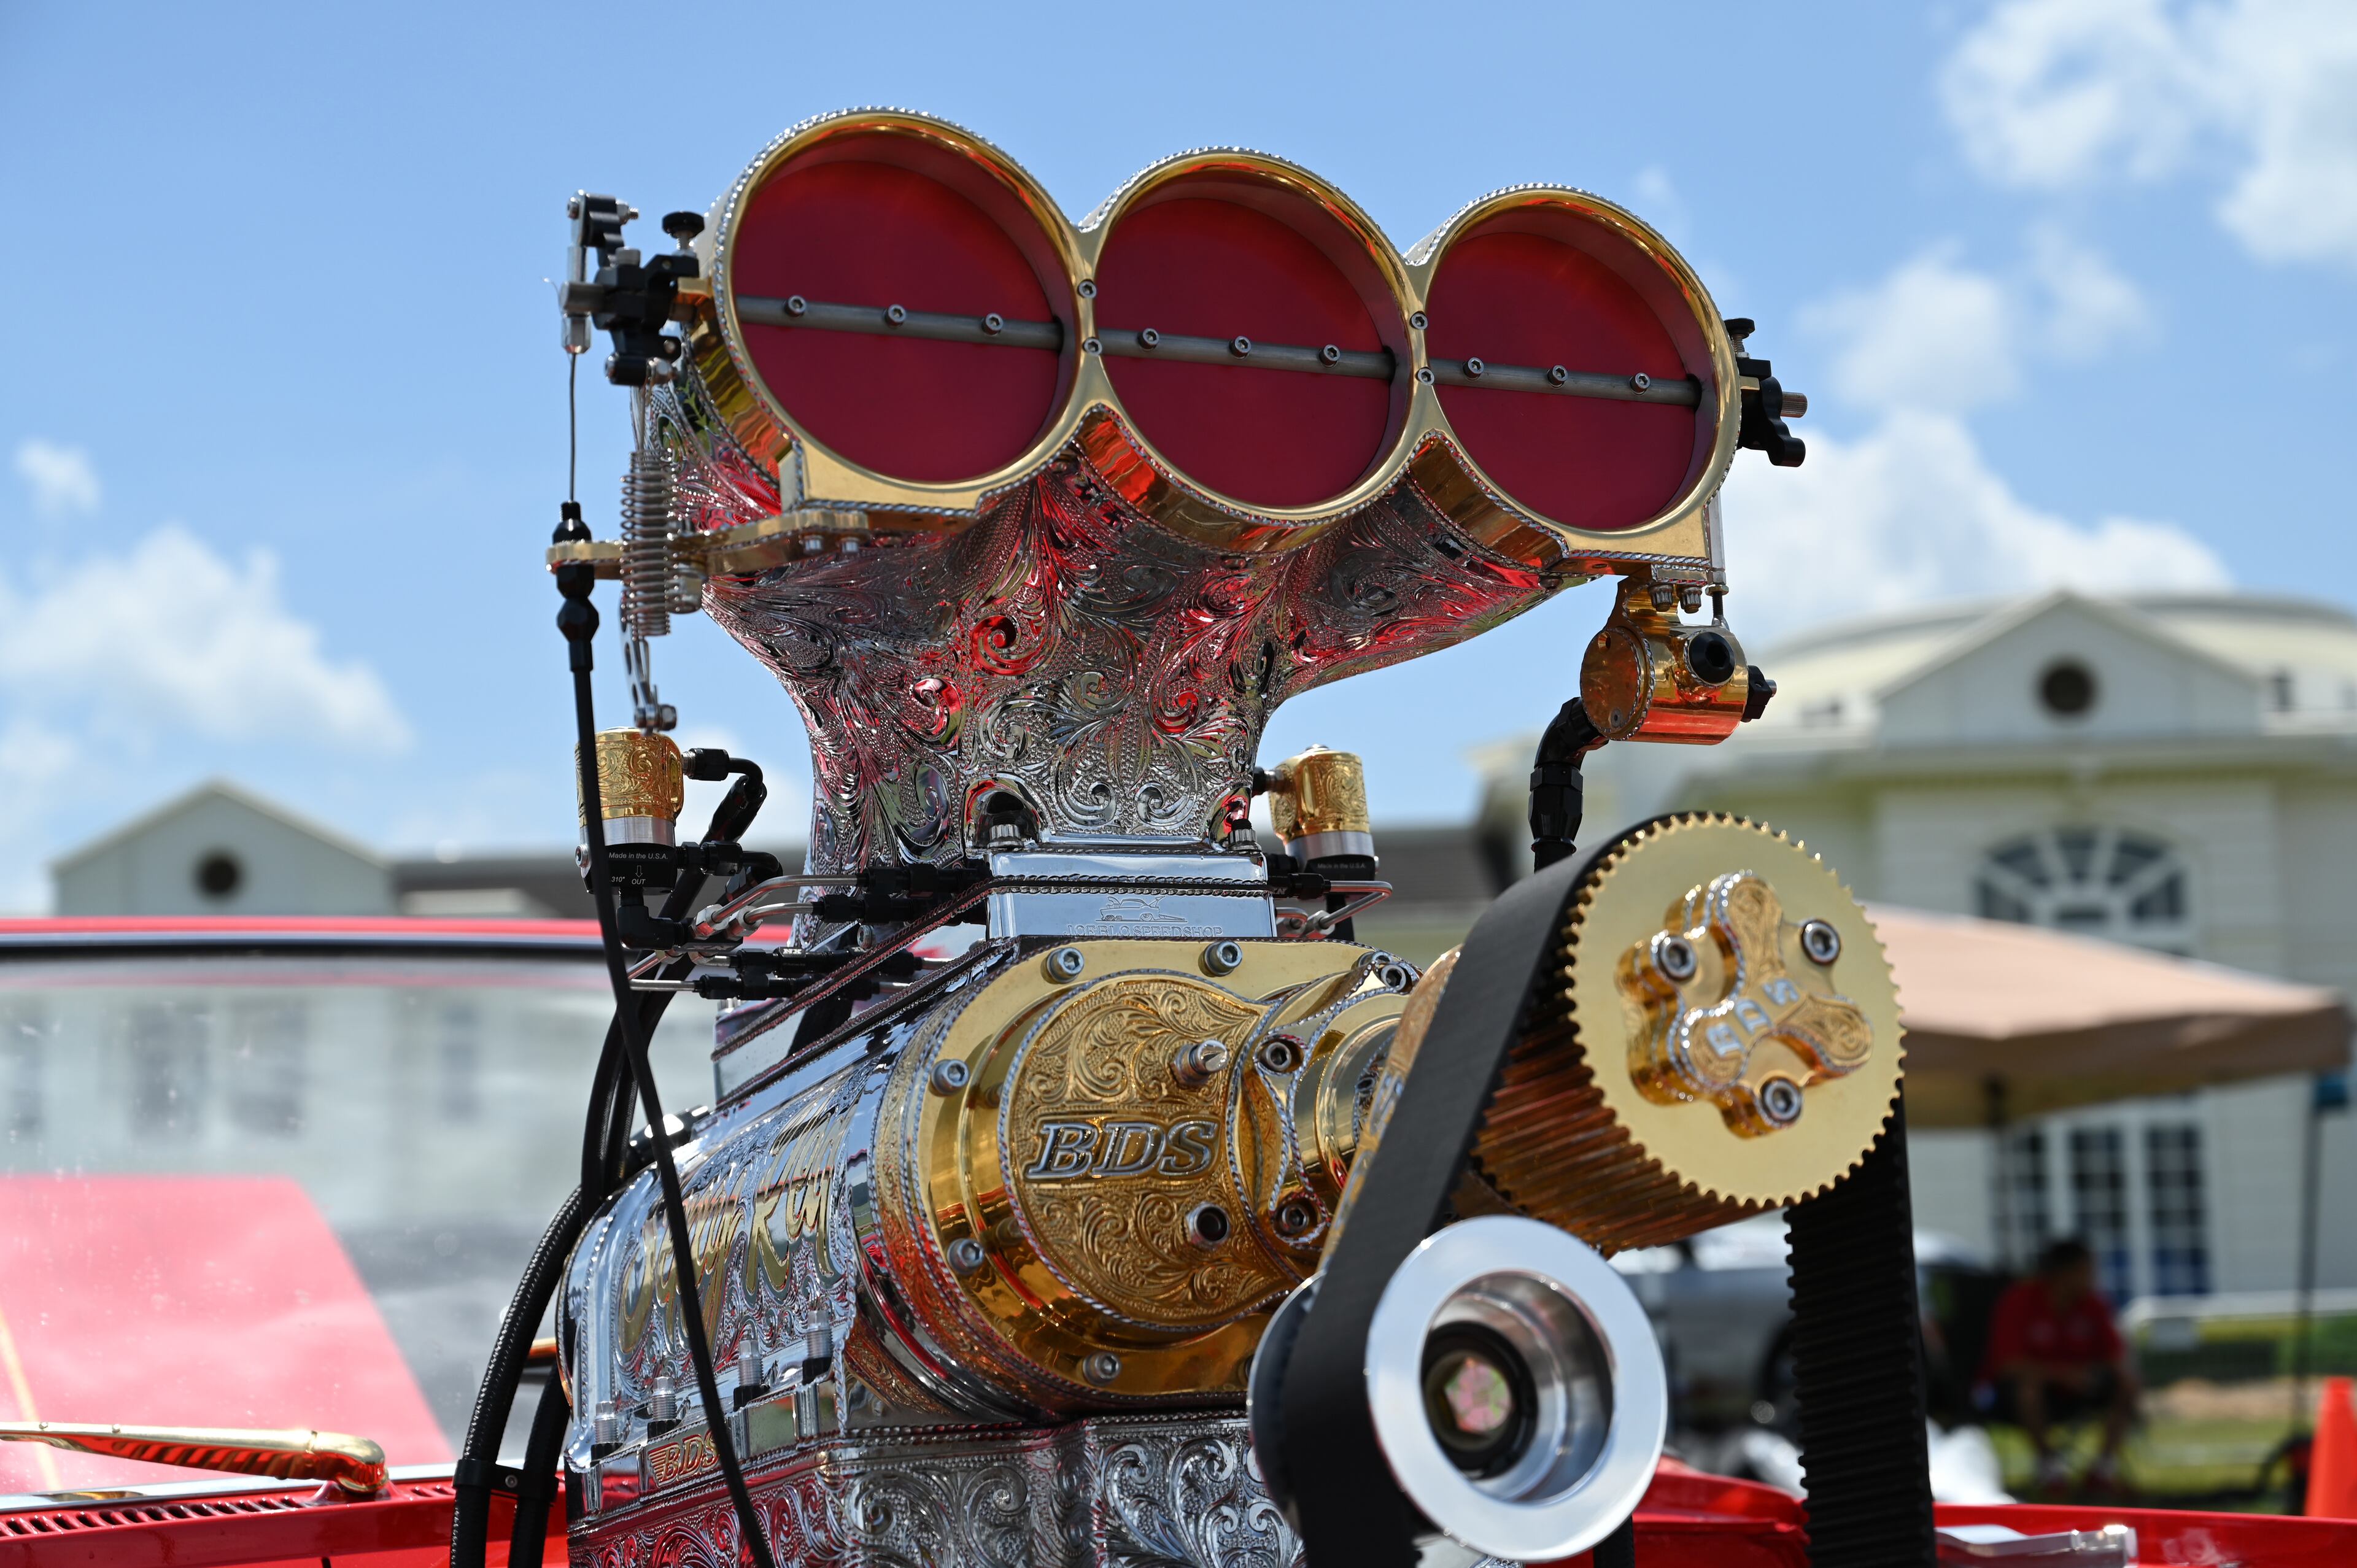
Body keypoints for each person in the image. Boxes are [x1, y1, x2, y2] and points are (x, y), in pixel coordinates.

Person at [1979, 1238, 2140, 1497]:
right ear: (2063, 1273)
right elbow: (2007, 1364)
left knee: (2128, 1382)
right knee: (2028, 1389)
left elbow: (2114, 1356)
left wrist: (2110, 1376)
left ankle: (2103, 1470)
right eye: (2086, 1271)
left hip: (2079, 1392)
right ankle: (2050, 1469)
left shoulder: (2093, 1304)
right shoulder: (2019, 1301)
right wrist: (2063, 1375)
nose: (2092, 1278)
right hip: (2020, 1399)